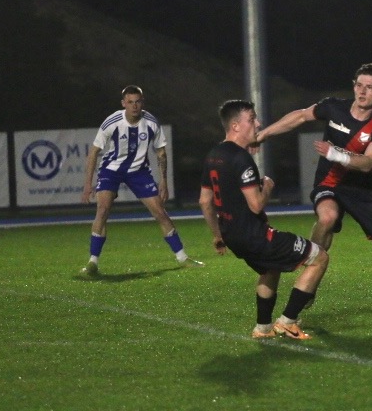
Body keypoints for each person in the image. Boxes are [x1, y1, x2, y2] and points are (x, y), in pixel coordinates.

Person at [256, 63, 372, 318]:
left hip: (362, 192)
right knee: (327, 217)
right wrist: (264, 134)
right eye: (359, 85)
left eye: (369, 87)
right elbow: (301, 116)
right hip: (329, 184)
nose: (362, 91)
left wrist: (336, 154)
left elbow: (369, 162)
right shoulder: (334, 107)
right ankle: (309, 280)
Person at [199, 99, 329, 340]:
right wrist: (267, 186)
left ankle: (263, 328)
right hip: (255, 236)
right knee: (319, 257)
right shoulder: (241, 158)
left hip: (232, 235)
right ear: (235, 126)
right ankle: (288, 322)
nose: (258, 123)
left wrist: (217, 235)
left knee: (270, 269)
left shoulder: (213, 155)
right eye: (252, 119)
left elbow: (205, 201)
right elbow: (256, 204)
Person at [80, 85, 203, 275]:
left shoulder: (151, 122)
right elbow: (94, 152)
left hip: (139, 172)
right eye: (130, 102)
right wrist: (88, 184)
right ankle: (92, 262)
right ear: (123, 104)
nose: (134, 106)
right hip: (111, 170)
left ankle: (182, 257)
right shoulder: (112, 122)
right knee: (102, 210)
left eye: (137, 102)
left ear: (142, 102)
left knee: (160, 212)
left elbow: (161, 152)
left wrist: (163, 181)